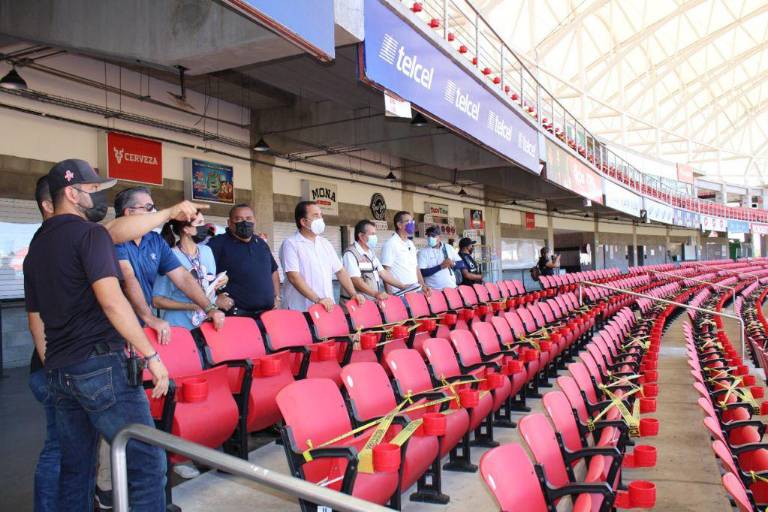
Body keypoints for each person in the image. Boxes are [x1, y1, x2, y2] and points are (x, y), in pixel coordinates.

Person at [24, 159, 169, 511]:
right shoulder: (91, 235)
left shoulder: (36, 248)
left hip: (61, 369)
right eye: (92, 189)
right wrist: (151, 355)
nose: (98, 197)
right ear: (73, 194)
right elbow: (113, 302)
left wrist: (53, 364)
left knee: (76, 469)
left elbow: (36, 319)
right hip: (101, 365)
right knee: (147, 463)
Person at [113, 186, 225, 344]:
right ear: (129, 212)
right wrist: (149, 318)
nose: (154, 212)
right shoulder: (113, 240)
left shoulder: (154, 239)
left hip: (142, 323)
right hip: (115, 325)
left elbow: (181, 276)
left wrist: (209, 308)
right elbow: (128, 278)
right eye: (148, 207)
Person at [279, 201, 364, 311]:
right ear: (303, 222)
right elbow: (294, 277)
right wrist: (317, 299)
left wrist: (353, 294)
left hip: (326, 307)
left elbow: (340, 271)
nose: (320, 219)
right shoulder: (291, 244)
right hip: (301, 309)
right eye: (316, 216)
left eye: (321, 215)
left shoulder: (325, 243)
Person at [206, 204, 280, 317]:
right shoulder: (217, 244)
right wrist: (215, 298)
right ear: (229, 223)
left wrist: (277, 296)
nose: (245, 222)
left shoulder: (261, 244)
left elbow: (273, 270)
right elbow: (203, 275)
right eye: (239, 219)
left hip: (267, 315)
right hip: (236, 316)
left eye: (248, 218)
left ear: (254, 221)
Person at [341, 220, 409, 303]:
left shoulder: (370, 253)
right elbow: (356, 280)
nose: (375, 237)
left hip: (370, 303)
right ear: (361, 236)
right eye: (372, 234)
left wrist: (403, 286)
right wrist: (376, 294)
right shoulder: (350, 254)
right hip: (356, 305)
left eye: (375, 234)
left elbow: (383, 273)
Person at [380, 211, 430, 295]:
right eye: (408, 221)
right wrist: (390, 296)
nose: (412, 224)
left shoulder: (410, 243)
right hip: (399, 293)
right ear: (399, 225)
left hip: (415, 292)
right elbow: (385, 272)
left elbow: (416, 267)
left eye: (412, 221)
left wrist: (423, 286)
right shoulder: (391, 244)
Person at [418, 226, 462, 290]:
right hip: (434, 290)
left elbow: (461, 264)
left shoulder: (448, 247)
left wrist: (453, 263)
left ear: (440, 237)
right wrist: (440, 266)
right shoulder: (423, 252)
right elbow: (422, 272)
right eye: (428, 236)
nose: (430, 238)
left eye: (433, 236)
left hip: (452, 287)